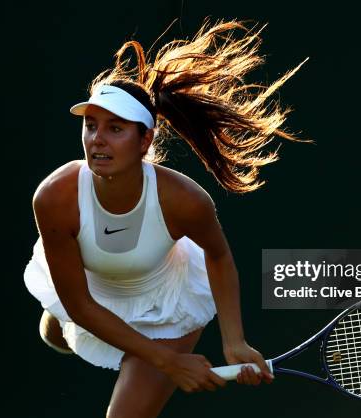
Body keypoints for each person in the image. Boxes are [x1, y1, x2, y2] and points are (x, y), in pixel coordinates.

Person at [24, 19, 308, 418]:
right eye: (90, 126)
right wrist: (168, 364)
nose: (97, 140)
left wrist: (234, 341)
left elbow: (219, 256)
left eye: (115, 128)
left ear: (145, 141)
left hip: (165, 306)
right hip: (88, 291)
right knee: (60, 328)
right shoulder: (55, 197)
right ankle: (62, 327)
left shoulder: (185, 200)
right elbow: (80, 304)